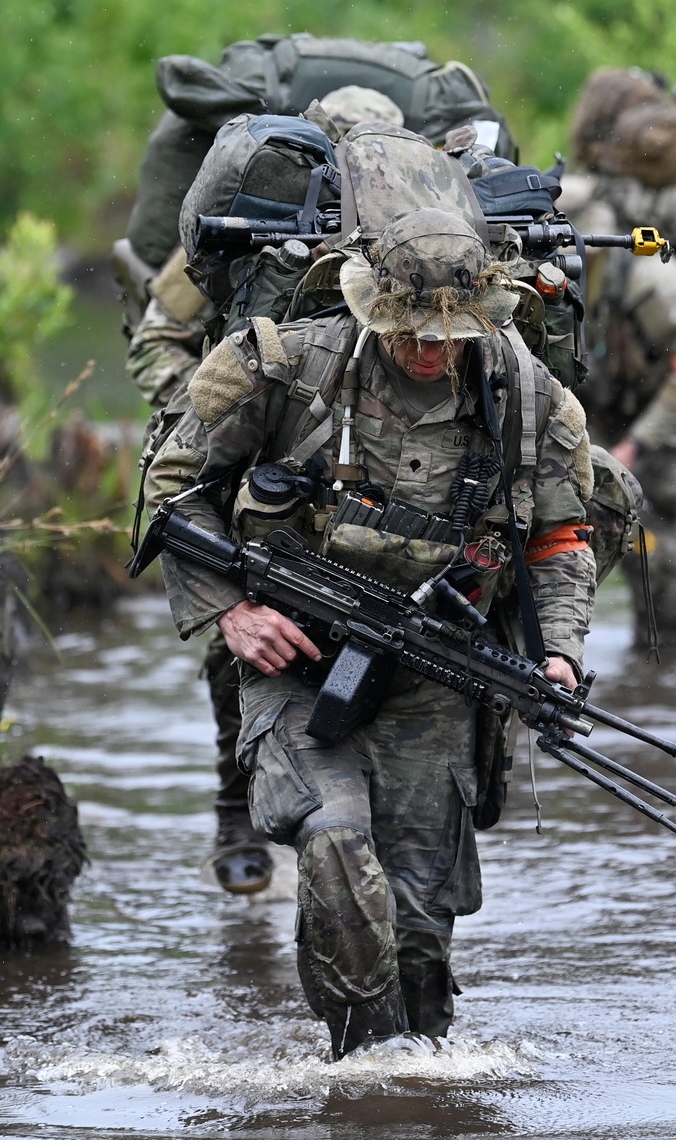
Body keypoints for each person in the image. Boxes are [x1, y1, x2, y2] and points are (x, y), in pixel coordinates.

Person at [141, 209, 598, 1056]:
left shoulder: (531, 396)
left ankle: (407, 1083)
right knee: (339, 851)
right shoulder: (281, 364)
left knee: (420, 931)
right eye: (410, 333)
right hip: (299, 661)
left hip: (438, 673)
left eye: (448, 336)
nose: (429, 350)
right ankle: (358, 1074)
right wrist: (233, 611)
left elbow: (562, 538)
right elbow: (170, 491)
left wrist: (559, 655)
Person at [123, 89, 407, 897]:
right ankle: (235, 809)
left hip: (362, 466)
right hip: (239, 453)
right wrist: (212, 411)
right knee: (236, 640)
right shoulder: (258, 220)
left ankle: (364, 837)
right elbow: (157, 338)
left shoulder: (409, 241)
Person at [560, 175, 676, 655]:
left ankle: (668, 657)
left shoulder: (651, 277)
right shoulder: (564, 275)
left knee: (654, 532)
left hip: (674, 415)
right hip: (609, 411)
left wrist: (637, 445)